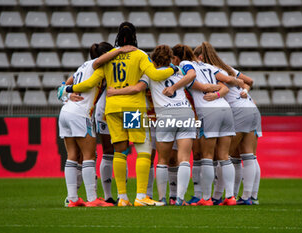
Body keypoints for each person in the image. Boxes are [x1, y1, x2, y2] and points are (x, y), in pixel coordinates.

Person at [58, 22, 178, 206]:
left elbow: (90, 83)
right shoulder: (139, 55)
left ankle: (122, 197)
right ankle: (140, 196)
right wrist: (173, 69)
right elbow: (155, 75)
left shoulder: (109, 58)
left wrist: (68, 88)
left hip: (112, 109)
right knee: (143, 150)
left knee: (119, 152)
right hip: (132, 108)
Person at [107, 45, 199, 206]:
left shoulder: (149, 75)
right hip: (185, 113)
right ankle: (179, 199)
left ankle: (162, 198)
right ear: (170, 58)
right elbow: (192, 75)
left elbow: (137, 88)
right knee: (183, 159)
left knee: (162, 159)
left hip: (165, 116)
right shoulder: (177, 70)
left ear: (153, 60)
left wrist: (114, 92)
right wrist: (175, 87)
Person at [60, 42, 135, 207]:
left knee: (72, 156)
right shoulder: (96, 66)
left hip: (65, 111)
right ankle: (93, 199)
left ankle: (72, 199)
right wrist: (121, 50)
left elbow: (65, 84)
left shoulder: (82, 66)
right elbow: (100, 61)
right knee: (89, 156)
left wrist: (65, 93)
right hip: (81, 113)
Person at [167, 44, 236, 206]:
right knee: (224, 156)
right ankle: (231, 197)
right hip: (225, 109)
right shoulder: (207, 65)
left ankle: (205, 198)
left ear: (177, 58)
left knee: (207, 156)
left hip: (208, 110)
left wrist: (205, 89)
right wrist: (218, 91)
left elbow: (195, 83)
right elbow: (227, 83)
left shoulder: (184, 65)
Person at [197, 42, 259, 205]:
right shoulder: (227, 68)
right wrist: (244, 91)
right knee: (248, 155)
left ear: (201, 57)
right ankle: (249, 197)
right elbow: (249, 81)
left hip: (237, 111)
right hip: (251, 108)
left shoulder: (212, 70)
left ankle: (218, 195)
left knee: (224, 156)